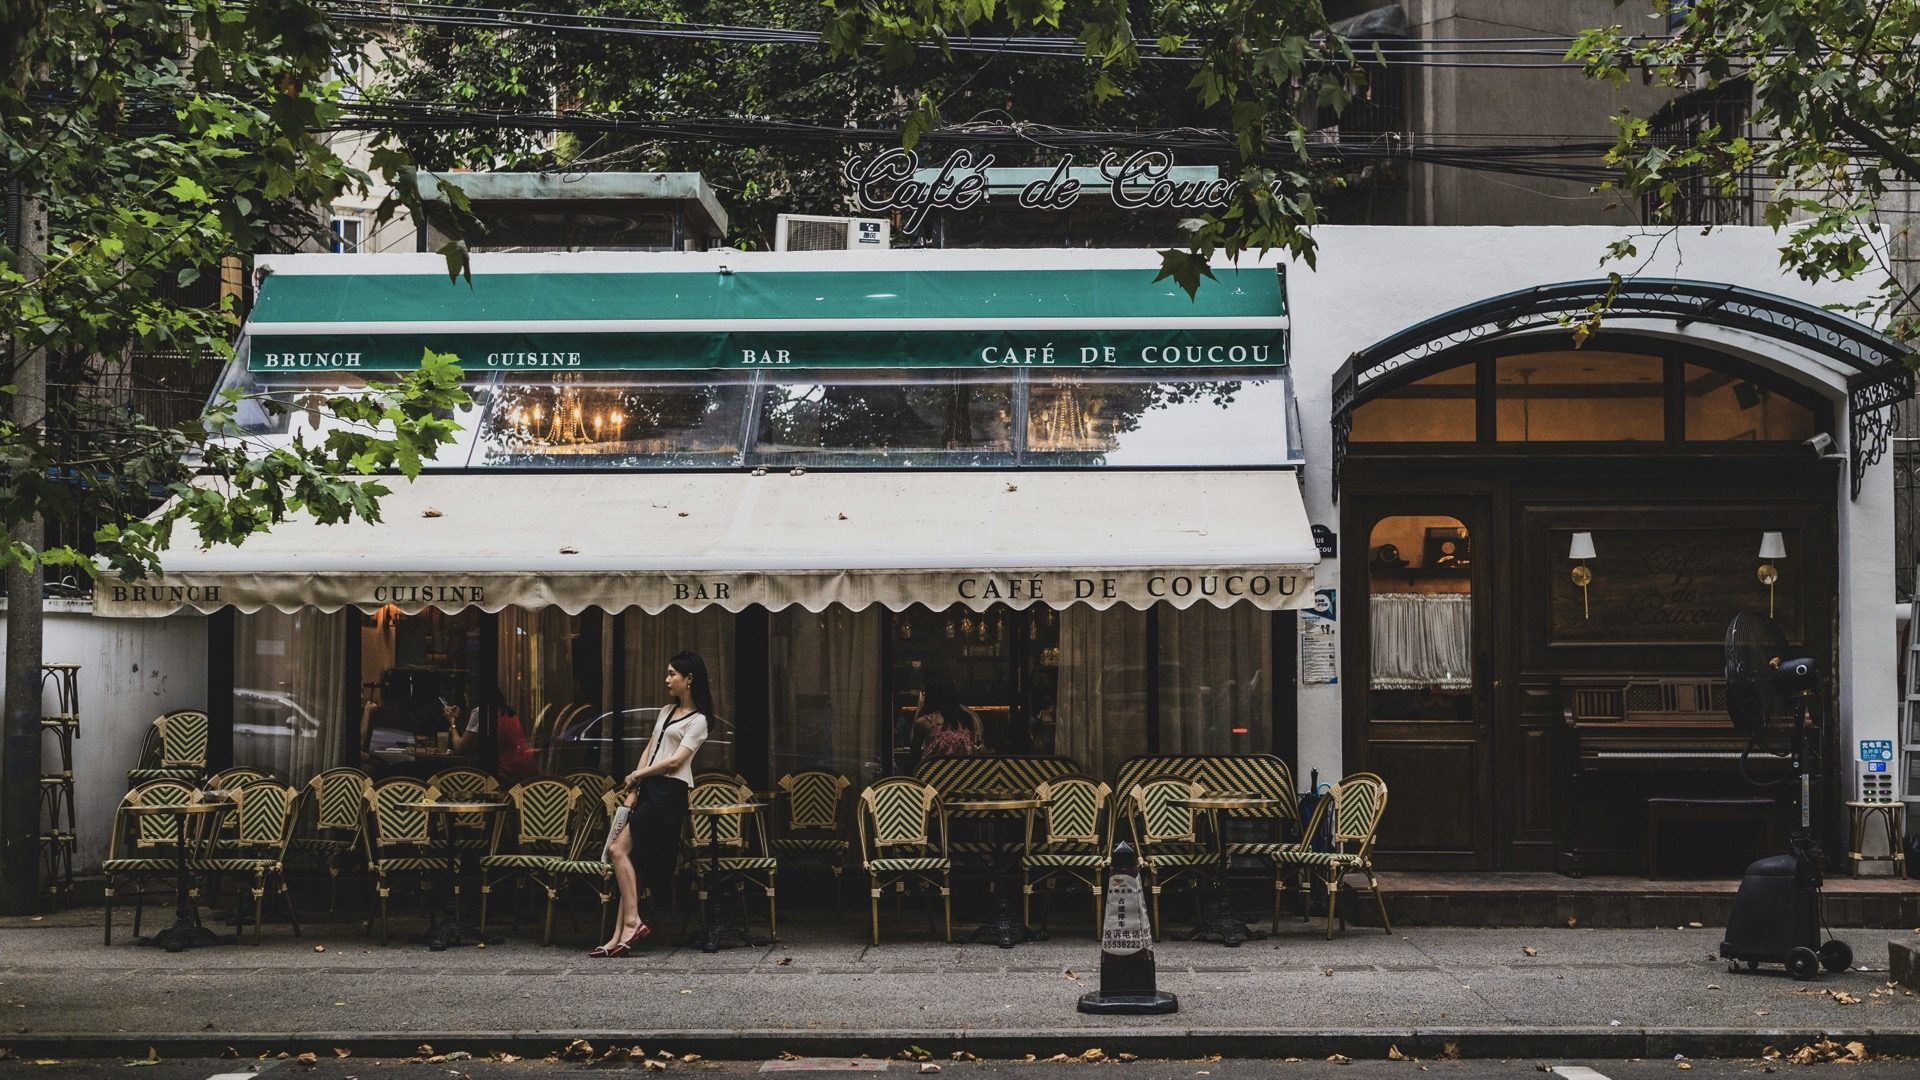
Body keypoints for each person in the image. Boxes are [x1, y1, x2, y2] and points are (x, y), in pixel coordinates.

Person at [592, 650, 712, 958]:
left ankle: (632, 922)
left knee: (619, 850)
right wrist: (634, 787)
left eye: (673, 674)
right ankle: (618, 937)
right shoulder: (666, 711)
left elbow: (675, 761)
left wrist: (636, 774)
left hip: (669, 793)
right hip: (650, 789)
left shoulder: (699, 721)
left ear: (690, 679)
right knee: (630, 860)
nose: (667, 679)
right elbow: (651, 747)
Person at [446, 686, 538, 786]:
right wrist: (459, 720)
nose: (465, 696)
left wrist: (452, 723)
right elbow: (470, 740)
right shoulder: (507, 712)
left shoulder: (480, 712)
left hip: (506, 775)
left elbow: (460, 748)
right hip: (526, 771)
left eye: (467, 693)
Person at [910, 673, 981, 765]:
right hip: (964, 773)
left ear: (930, 696)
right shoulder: (965, 718)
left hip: (934, 772)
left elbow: (914, 749)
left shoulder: (925, 722)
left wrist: (919, 709)